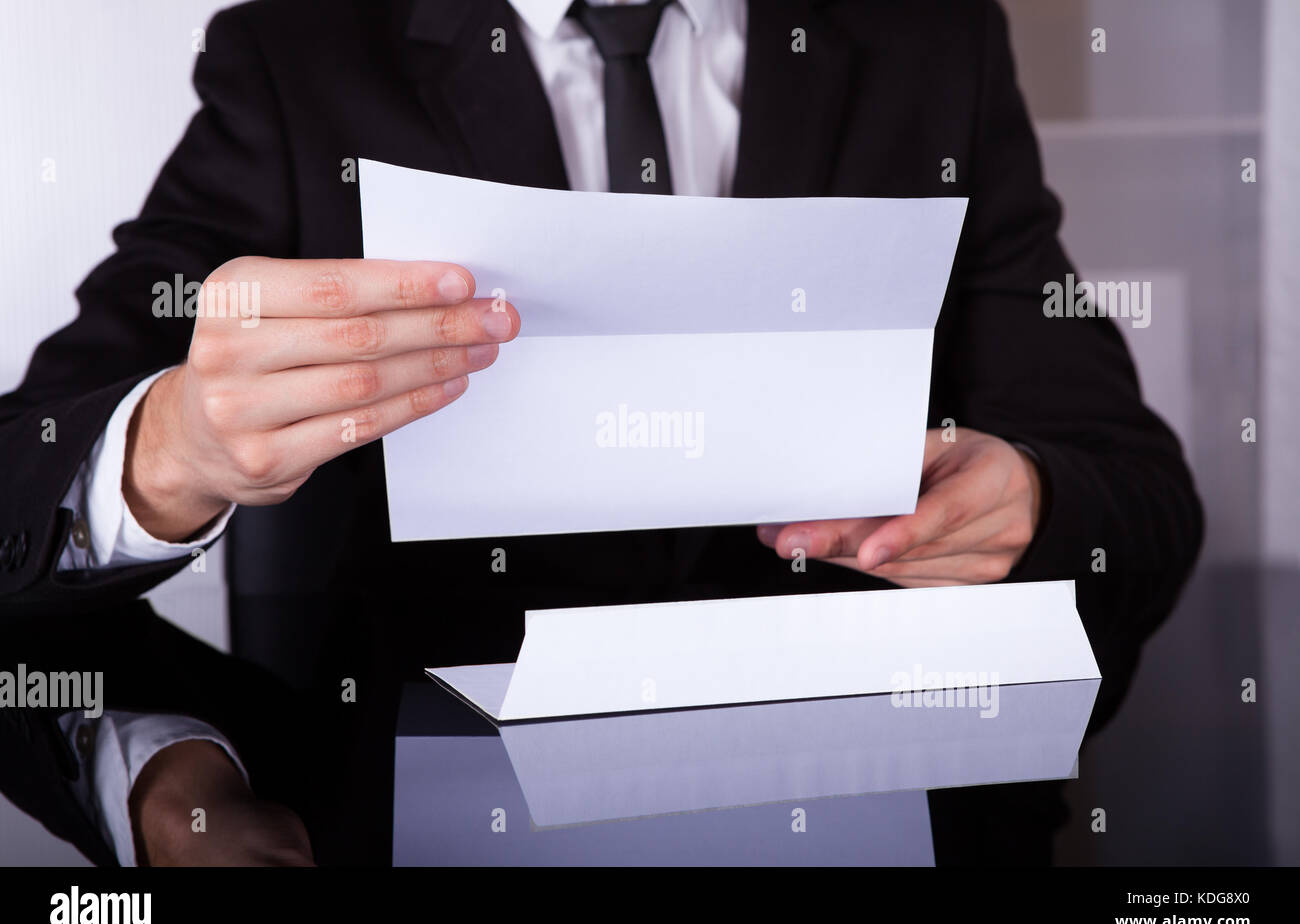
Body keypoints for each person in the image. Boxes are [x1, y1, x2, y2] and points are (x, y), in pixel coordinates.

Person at [0, 0, 1202, 865]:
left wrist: (1030, 498)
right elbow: (27, 462)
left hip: (866, 772)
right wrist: (168, 446)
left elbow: (1133, 484)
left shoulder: (926, 39)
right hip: (401, 763)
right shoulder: (299, 53)